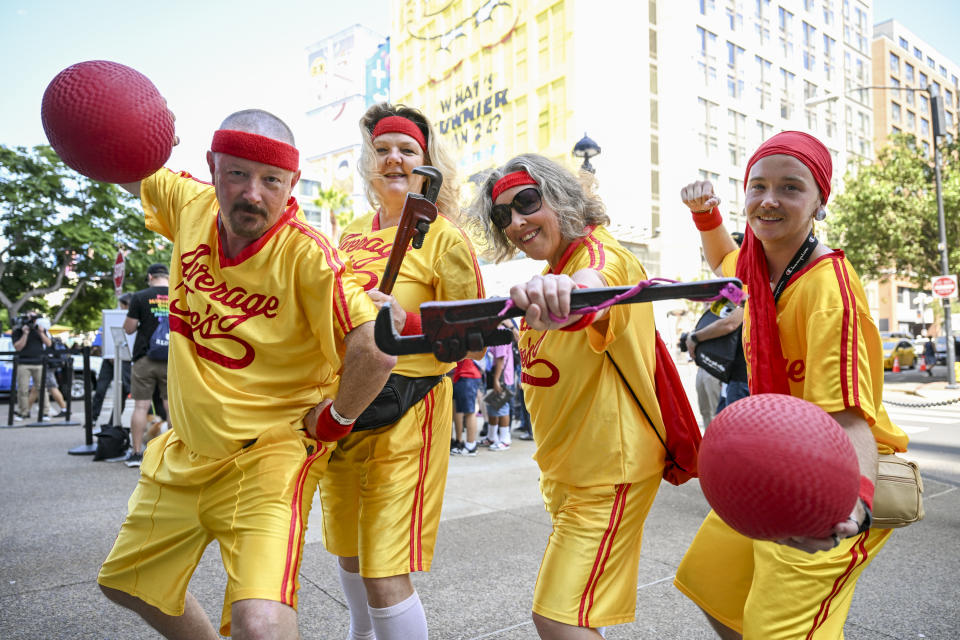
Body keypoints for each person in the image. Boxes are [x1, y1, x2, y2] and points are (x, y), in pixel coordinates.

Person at [97, 108, 397, 640]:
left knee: (260, 623)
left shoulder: (307, 256)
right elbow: (121, 157)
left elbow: (375, 348)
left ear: (291, 184)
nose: (252, 193)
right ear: (212, 167)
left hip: (268, 458)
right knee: (126, 584)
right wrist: (141, 132)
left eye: (270, 180)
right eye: (237, 173)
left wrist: (335, 419)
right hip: (187, 450)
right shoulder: (190, 205)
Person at [676, 130, 910, 639]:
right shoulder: (755, 265)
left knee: (778, 631)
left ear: (819, 202)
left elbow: (848, 419)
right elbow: (722, 262)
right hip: (775, 463)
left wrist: (849, 508)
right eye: (757, 186)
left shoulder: (829, 290)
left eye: (790, 188)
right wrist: (705, 216)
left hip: (831, 482)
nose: (769, 200)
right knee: (707, 581)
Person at [467, 153, 680, 639]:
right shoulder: (554, 266)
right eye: (504, 215)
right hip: (572, 474)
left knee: (558, 617)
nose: (517, 221)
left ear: (561, 198)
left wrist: (569, 295)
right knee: (575, 616)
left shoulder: (598, 257)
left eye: (527, 202)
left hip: (608, 474)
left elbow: (593, 292)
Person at [318, 103, 485, 640]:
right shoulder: (345, 235)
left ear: (426, 163)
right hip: (345, 409)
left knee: (385, 566)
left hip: (407, 411)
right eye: (383, 149)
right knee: (348, 549)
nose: (394, 159)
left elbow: (474, 338)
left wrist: (406, 318)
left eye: (407, 150)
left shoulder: (445, 238)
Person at [121, 262, 170, 467]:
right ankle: (175, 452)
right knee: (171, 406)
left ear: (150, 277)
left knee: (141, 406)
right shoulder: (180, 294)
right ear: (167, 276)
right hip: (173, 359)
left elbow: (129, 329)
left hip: (145, 359)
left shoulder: (140, 297)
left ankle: (136, 453)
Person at [90, 293, 134, 426]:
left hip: (126, 360)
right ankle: (93, 417)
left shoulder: (134, 317)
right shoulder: (111, 317)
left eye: (123, 305)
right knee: (101, 389)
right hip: (110, 359)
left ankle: (112, 423)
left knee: (125, 391)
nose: (120, 308)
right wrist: (108, 353)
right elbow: (99, 342)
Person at [11, 311, 56, 421]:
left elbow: (49, 344)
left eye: (33, 318)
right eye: (29, 318)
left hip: (39, 363)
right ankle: (23, 412)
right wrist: (25, 333)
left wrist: (41, 333)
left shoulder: (40, 329)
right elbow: (18, 347)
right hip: (23, 363)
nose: (31, 321)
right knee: (23, 389)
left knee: (42, 389)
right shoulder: (18, 331)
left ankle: (45, 412)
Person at [482, 320, 517, 450]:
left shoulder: (500, 333)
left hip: (501, 377)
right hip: (495, 376)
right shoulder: (495, 332)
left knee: (502, 407)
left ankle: (505, 439)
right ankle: (492, 437)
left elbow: (501, 358)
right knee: (493, 406)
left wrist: (496, 379)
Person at [451, 356, 484, 455]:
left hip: (467, 375)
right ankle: (466, 443)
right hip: (463, 376)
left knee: (469, 412)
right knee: (463, 410)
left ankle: (471, 445)